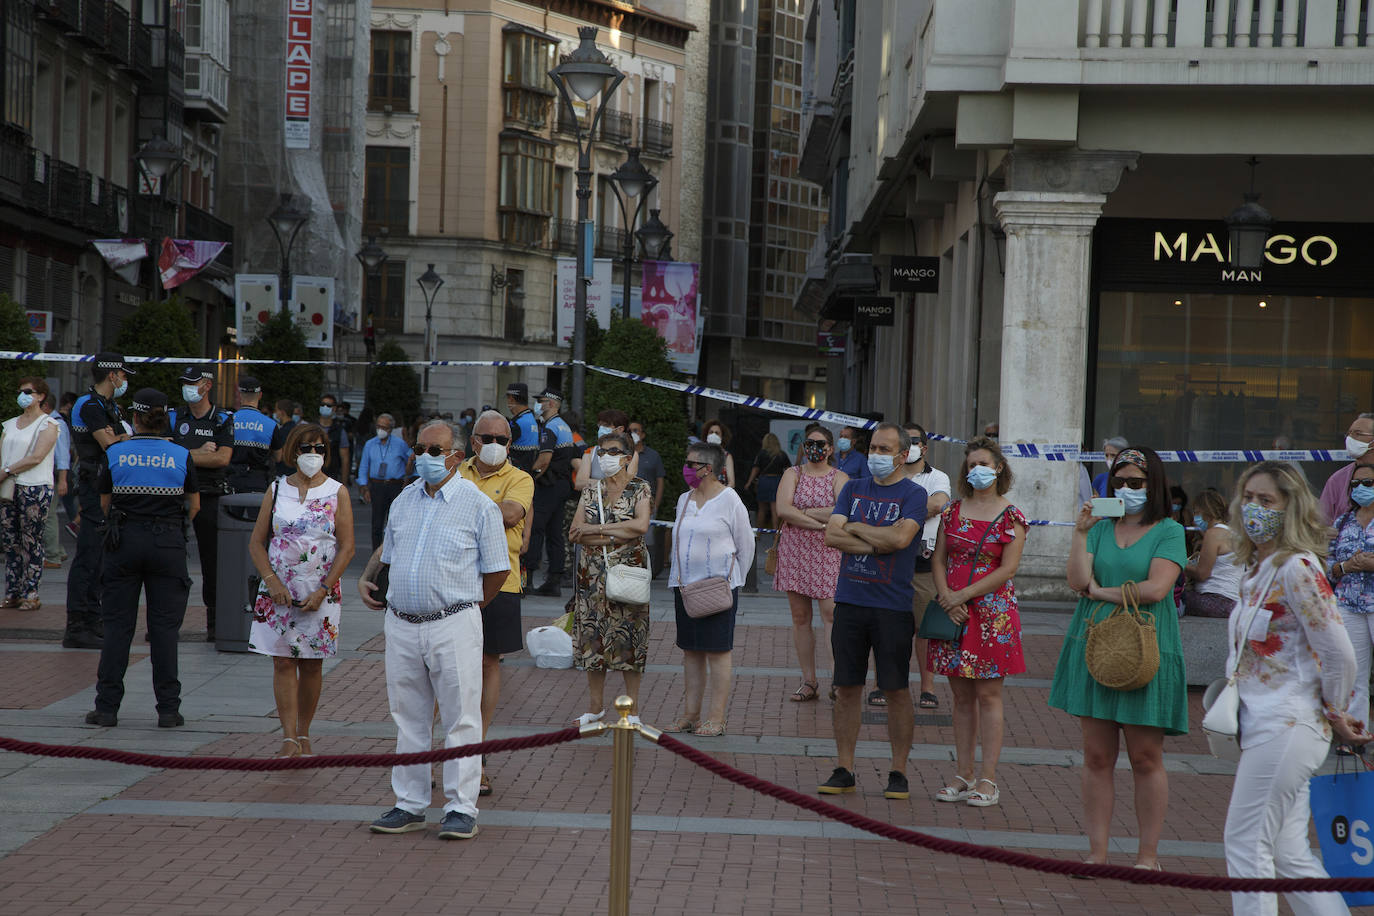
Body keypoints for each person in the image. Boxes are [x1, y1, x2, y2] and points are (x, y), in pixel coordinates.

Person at [1223, 460, 1368, 916]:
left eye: (1266, 500)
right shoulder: (1257, 569)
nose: (1254, 508)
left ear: (1290, 508)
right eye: (1248, 498)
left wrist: (1335, 709)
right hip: (1264, 721)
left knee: (1247, 845)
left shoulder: (1297, 568)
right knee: (1289, 857)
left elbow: (1340, 650)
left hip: (1288, 724)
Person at [358, 420, 508, 841]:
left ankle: (461, 808)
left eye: (434, 449)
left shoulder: (478, 505)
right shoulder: (405, 499)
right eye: (420, 448)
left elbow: (497, 570)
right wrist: (368, 577)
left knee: (461, 717)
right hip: (402, 622)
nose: (424, 456)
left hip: (453, 621)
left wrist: (468, 605)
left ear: (457, 456)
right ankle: (409, 803)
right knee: (409, 716)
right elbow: (390, 548)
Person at [1051, 446, 1187, 870]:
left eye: (1136, 482)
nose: (1126, 489)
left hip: (1146, 643)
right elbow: (1076, 580)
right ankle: (1098, 853)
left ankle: (1148, 856)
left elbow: (1157, 589)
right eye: (1119, 481)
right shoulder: (1098, 527)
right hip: (1096, 643)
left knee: (1146, 756)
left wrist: (1102, 593)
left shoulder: (1169, 530)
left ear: (1154, 485)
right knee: (1096, 755)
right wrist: (1079, 532)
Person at [818, 423, 926, 800]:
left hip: (892, 606)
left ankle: (898, 771)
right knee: (846, 688)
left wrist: (857, 527)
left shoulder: (914, 494)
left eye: (885, 449)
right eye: (874, 448)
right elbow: (831, 536)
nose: (876, 455)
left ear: (902, 455)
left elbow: (901, 539)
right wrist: (878, 543)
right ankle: (844, 767)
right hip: (850, 601)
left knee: (895, 689)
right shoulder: (852, 487)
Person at [84, 388, 199, 727]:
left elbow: (104, 503)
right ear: (166, 418)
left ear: (134, 418)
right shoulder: (180, 454)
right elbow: (194, 505)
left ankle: (106, 708)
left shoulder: (117, 453)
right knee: (164, 630)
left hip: (124, 541)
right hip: (167, 544)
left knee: (118, 627)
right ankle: (168, 710)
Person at [928, 436, 1027, 808]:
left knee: (989, 695)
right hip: (952, 611)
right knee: (960, 697)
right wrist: (946, 597)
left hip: (992, 614)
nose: (976, 470)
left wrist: (962, 597)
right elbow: (938, 558)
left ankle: (988, 778)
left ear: (999, 467)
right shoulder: (952, 512)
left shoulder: (1012, 515)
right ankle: (963, 773)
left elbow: (1009, 567)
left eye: (983, 463)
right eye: (970, 465)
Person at [248, 423, 355, 756]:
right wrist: (271, 580)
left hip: (320, 589)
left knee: (311, 663)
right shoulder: (277, 489)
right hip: (278, 589)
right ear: (293, 452)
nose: (313, 455)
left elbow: (347, 546)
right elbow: (257, 542)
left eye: (320, 449)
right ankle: (288, 736)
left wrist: (323, 589)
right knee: (282, 662)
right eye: (306, 448)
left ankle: (304, 732)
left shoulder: (337, 491)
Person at [458, 410, 534, 797]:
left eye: (502, 440)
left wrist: (463, 509)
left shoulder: (520, 478)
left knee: (489, 663)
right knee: (448, 666)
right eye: (487, 438)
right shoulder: (455, 471)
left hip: (500, 579)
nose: (495, 446)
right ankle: (449, 749)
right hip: (454, 579)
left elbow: (512, 514)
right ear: (473, 441)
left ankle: (477, 754)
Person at [664, 442, 754, 737]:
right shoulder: (684, 499)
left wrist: (731, 577)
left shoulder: (730, 500)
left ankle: (716, 718)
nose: (686, 469)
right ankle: (690, 715)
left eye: (691, 464)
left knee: (717, 651)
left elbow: (746, 546)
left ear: (709, 469)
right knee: (691, 651)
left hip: (718, 588)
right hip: (686, 586)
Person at [566, 430, 652, 725]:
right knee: (593, 641)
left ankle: (634, 711)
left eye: (613, 452)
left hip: (628, 574)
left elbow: (641, 526)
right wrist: (615, 533)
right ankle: (595, 707)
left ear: (628, 458)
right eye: (601, 452)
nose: (605, 458)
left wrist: (595, 531)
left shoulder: (641, 488)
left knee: (630, 640)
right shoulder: (592, 490)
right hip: (592, 577)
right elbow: (574, 532)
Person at [65, 352, 135, 649]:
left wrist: (118, 436)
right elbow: (109, 442)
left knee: (100, 558)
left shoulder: (108, 405)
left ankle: (93, 618)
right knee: (88, 557)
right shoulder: (90, 404)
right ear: (112, 375)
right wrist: (119, 437)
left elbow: (118, 436)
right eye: (123, 374)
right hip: (93, 485)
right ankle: (77, 624)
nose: (124, 380)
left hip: (105, 484)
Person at [773, 424, 848, 702]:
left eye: (819, 443)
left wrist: (802, 512)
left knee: (831, 616)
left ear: (830, 448)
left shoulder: (839, 477)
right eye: (809, 443)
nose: (813, 448)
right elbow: (783, 509)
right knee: (800, 618)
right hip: (796, 552)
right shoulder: (792, 474)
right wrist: (820, 524)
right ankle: (809, 680)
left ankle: (837, 680)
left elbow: (843, 510)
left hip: (828, 553)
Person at [170, 365, 234, 642]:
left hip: (210, 496)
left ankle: (215, 623)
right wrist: (196, 452)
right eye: (184, 382)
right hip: (175, 496)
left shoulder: (221, 419)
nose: (187, 387)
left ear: (207, 386)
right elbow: (163, 452)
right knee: (169, 560)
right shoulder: (173, 417)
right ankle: (167, 622)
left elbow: (222, 459)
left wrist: (180, 453)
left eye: (193, 382)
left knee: (213, 563)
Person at [1, 378, 61, 610]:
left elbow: (37, 457)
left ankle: (31, 593)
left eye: (28, 392)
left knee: (31, 541)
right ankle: (13, 592)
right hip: (9, 487)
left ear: (41, 396)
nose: (23, 395)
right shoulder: (10, 425)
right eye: (21, 391)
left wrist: (6, 471)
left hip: (34, 487)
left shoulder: (49, 424)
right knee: (10, 541)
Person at [904, 422, 952, 710]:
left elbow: (938, 505)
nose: (908, 446)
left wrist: (896, 510)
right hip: (890, 560)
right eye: (903, 441)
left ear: (924, 446)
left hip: (923, 562)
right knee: (890, 629)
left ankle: (927, 688)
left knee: (924, 630)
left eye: (913, 441)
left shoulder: (938, 477)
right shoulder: (887, 475)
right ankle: (884, 685)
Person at [1328, 462, 1374, 734]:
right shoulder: (1342, 521)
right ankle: (1354, 732)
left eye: (1368, 483)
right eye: (1355, 484)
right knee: (1353, 672)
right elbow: (1329, 568)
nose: (1360, 489)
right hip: (1348, 604)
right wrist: (1348, 566)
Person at [527, 388, 577, 597]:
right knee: (555, 533)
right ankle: (554, 580)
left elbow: (544, 459)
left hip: (548, 485)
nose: (539, 404)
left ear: (553, 404)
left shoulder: (550, 428)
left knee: (536, 530)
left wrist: (529, 478)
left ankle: (527, 578)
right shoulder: (563, 426)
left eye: (542, 401)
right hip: (561, 485)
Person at [1182, 488, 1242, 617]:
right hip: (1233, 602)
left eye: (1197, 513)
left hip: (1214, 600)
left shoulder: (1213, 534)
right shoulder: (1233, 533)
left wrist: (1181, 565)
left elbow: (1202, 574)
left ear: (1207, 512)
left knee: (1169, 595)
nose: (1194, 519)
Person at [357, 413, 410, 551]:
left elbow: (411, 460)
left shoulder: (400, 444)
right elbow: (363, 466)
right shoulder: (370, 444)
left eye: (384, 427)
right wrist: (363, 486)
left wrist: (408, 480)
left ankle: (393, 552)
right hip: (377, 485)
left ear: (391, 429)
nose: (380, 429)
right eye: (378, 426)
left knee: (395, 521)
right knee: (377, 523)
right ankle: (376, 554)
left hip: (395, 485)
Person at [627, 419, 667, 574]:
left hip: (647, 504)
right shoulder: (625, 454)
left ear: (642, 435)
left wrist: (656, 504)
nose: (633, 433)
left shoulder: (653, 455)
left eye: (636, 430)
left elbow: (660, 480)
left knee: (648, 539)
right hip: (627, 504)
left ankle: (647, 570)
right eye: (630, 430)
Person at [225, 376, 276, 494]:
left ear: (240, 394)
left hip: (232, 479)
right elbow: (278, 456)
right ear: (260, 395)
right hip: (258, 481)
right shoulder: (271, 424)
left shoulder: (228, 420)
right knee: (258, 513)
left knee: (229, 512)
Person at [1321, 413, 1374, 525]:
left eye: (1357, 433)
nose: (1350, 439)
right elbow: (1321, 523)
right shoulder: (1337, 480)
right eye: (1349, 434)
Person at [572, 408, 640, 491]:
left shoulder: (632, 454)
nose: (601, 428)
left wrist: (593, 483)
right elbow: (579, 483)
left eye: (606, 425)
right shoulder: (590, 452)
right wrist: (611, 484)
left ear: (620, 429)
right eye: (600, 425)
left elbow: (627, 483)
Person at [39, 393, 71, 568]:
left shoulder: (55, 424)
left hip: (52, 475)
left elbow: (63, 454)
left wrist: (63, 480)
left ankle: (52, 555)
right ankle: (57, 551)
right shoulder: (53, 422)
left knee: (49, 515)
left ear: (45, 406)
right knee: (49, 514)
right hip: (53, 474)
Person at [745, 433, 791, 532]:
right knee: (775, 510)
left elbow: (755, 469)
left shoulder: (761, 453)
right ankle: (775, 535)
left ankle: (758, 533)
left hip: (764, 481)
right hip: (777, 482)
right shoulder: (782, 454)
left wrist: (749, 482)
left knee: (761, 509)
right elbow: (788, 470)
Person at [56, 391, 80, 538]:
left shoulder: (59, 419)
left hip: (65, 465)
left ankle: (74, 524)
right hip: (66, 465)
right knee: (69, 499)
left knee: (67, 500)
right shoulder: (63, 421)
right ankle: (75, 524)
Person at [316, 394, 351, 487]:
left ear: (334, 409)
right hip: (311, 476)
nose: (325, 407)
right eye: (322, 404)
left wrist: (344, 484)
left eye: (328, 405)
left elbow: (345, 459)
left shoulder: (340, 431)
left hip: (331, 477)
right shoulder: (311, 428)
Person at [506, 382, 540, 474]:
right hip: (527, 472)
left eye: (508, 399)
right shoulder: (531, 418)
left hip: (515, 472)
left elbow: (503, 445)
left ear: (511, 399)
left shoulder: (518, 423)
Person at [699, 419, 736, 488]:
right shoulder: (699, 454)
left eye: (717, 433)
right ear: (706, 435)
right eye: (711, 432)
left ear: (722, 437)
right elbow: (693, 479)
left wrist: (721, 495)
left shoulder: (727, 456)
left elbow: (731, 483)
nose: (713, 435)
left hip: (720, 495)